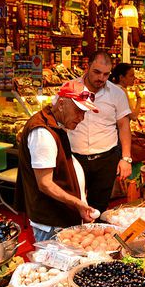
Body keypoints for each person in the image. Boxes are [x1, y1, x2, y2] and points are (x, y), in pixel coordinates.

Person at [16, 80, 99, 242]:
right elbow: (45, 184)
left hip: (60, 218)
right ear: (61, 104)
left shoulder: (55, 124)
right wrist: (77, 203)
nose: (81, 118)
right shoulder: (42, 132)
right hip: (51, 223)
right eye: (78, 111)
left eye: (84, 113)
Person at [68, 52, 132, 213]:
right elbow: (58, 119)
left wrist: (126, 158)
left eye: (106, 74)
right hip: (74, 158)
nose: (101, 78)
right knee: (72, 204)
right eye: (97, 72)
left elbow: (124, 125)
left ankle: (96, 236)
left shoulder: (117, 94)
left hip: (106, 159)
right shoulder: (70, 88)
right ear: (87, 66)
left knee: (99, 208)